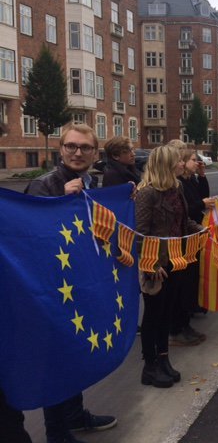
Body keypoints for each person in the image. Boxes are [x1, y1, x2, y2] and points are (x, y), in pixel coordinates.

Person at [25, 124, 117, 443]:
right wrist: (57, 202)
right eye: (71, 146)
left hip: (79, 283)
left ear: (95, 152)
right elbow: (33, 236)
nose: (78, 153)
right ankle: (57, 433)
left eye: (85, 148)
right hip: (52, 289)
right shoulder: (45, 184)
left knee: (76, 352)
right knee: (56, 360)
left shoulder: (93, 182)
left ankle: (75, 415)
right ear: (61, 149)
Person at [136, 145, 204, 388]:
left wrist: (200, 230)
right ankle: (150, 366)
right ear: (166, 165)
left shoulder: (177, 188)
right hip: (157, 265)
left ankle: (164, 360)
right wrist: (150, 265)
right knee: (153, 316)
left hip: (177, 260)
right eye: (177, 161)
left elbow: (183, 220)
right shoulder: (147, 194)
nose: (182, 164)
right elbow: (141, 234)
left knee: (166, 314)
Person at [169, 148, 216, 346]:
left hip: (191, 233)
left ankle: (185, 322)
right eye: (191, 160)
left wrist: (203, 177)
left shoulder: (188, 181)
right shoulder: (176, 184)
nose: (197, 163)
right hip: (179, 240)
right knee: (180, 285)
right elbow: (188, 208)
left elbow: (198, 201)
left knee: (189, 281)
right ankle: (177, 328)